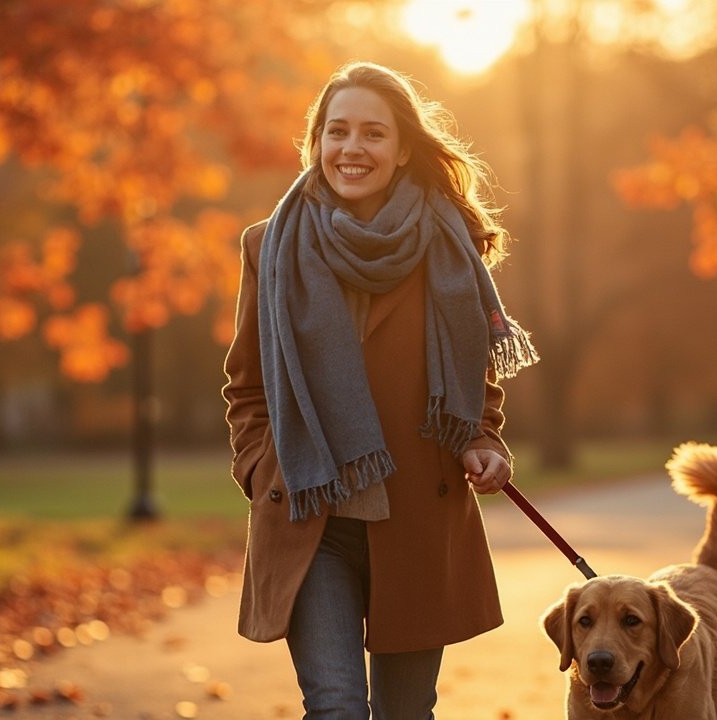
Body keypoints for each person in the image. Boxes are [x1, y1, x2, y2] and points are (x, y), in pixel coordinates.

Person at [222, 61, 539, 719]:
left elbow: (473, 376)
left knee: (406, 713)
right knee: (336, 707)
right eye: (337, 132)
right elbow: (246, 389)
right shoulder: (269, 248)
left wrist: (484, 439)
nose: (351, 149)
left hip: (418, 518)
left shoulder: (451, 246)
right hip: (313, 519)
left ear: (400, 152)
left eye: (372, 133)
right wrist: (263, 470)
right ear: (317, 144)